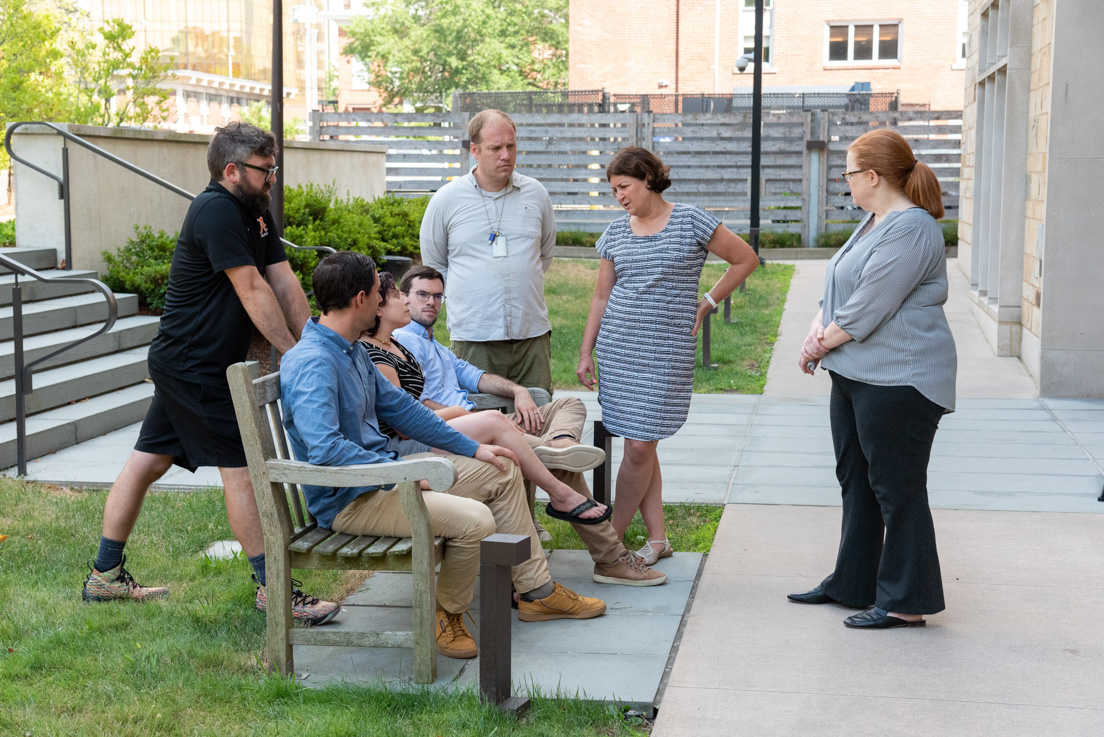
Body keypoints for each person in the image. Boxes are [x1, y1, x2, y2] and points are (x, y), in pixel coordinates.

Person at [280, 252, 608, 659]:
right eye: (382, 294)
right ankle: (448, 614)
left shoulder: (351, 351)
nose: (388, 300)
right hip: (352, 499)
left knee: (501, 466)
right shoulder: (314, 361)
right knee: (476, 521)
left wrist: (473, 447)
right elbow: (324, 448)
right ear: (362, 299)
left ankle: (537, 592)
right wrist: (395, 471)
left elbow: (405, 412)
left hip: (387, 478)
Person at [79, 123, 340, 625]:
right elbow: (251, 289)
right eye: (266, 171)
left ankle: (104, 576)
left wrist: (314, 345)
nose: (273, 179)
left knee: (147, 463)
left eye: (273, 169)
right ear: (232, 170)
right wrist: (292, 352)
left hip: (190, 364)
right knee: (242, 470)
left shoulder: (255, 214)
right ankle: (275, 590)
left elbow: (282, 280)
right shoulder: (216, 210)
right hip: (197, 367)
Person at [363, 271, 666, 587]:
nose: (430, 302)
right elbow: (413, 417)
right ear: (383, 305)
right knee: (550, 465)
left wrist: (519, 392)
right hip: (444, 437)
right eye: (417, 294)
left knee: (567, 407)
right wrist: (477, 415)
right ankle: (609, 558)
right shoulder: (395, 346)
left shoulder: (416, 345)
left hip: (471, 424)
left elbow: (472, 374)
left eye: (438, 296)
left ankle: (559, 444)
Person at [789, 128, 956, 630]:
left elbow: (868, 307)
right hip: (856, 372)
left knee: (897, 488)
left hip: (901, 378)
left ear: (873, 175)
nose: (847, 182)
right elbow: (840, 287)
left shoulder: (913, 228)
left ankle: (907, 600)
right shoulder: (872, 221)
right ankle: (854, 582)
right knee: (856, 480)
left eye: (848, 173)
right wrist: (817, 326)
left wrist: (820, 343)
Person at [577, 147, 759, 564]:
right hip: (619, 349)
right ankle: (657, 539)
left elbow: (745, 259)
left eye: (624, 187)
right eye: (613, 190)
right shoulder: (615, 233)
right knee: (642, 444)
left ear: (646, 178)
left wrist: (707, 302)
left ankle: (610, 544)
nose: (619, 196)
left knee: (640, 446)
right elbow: (602, 295)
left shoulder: (691, 220)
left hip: (665, 353)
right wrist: (586, 350)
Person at [419, 109, 556, 394]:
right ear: (475, 150)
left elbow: (543, 255)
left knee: (538, 418)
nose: (506, 155)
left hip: (531, 334)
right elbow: (435, 265)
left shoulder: (536, 194)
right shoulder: (446, 199)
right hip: (474, 336)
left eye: (511, 146)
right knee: (478, 422)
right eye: (495, 148)